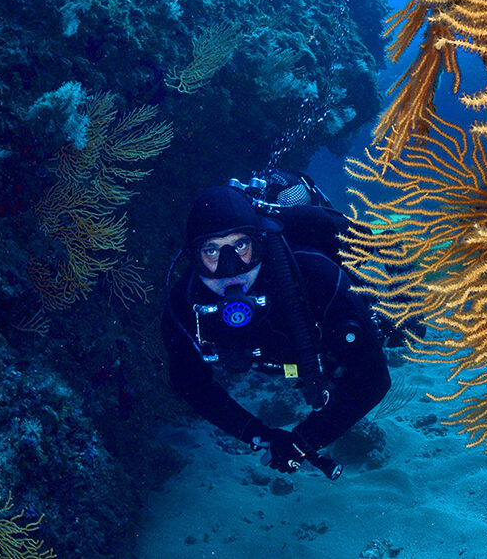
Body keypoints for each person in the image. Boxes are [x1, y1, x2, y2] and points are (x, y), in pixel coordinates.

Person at [161, 185, 390, 476]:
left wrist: (304, 439)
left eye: (240, 245)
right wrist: (256, 433)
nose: (229, 267)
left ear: (259, 243)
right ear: (194, 258)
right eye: (212, 250)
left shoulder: (314, 276)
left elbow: (374, 378)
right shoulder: (184, 305)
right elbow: (189, 382)